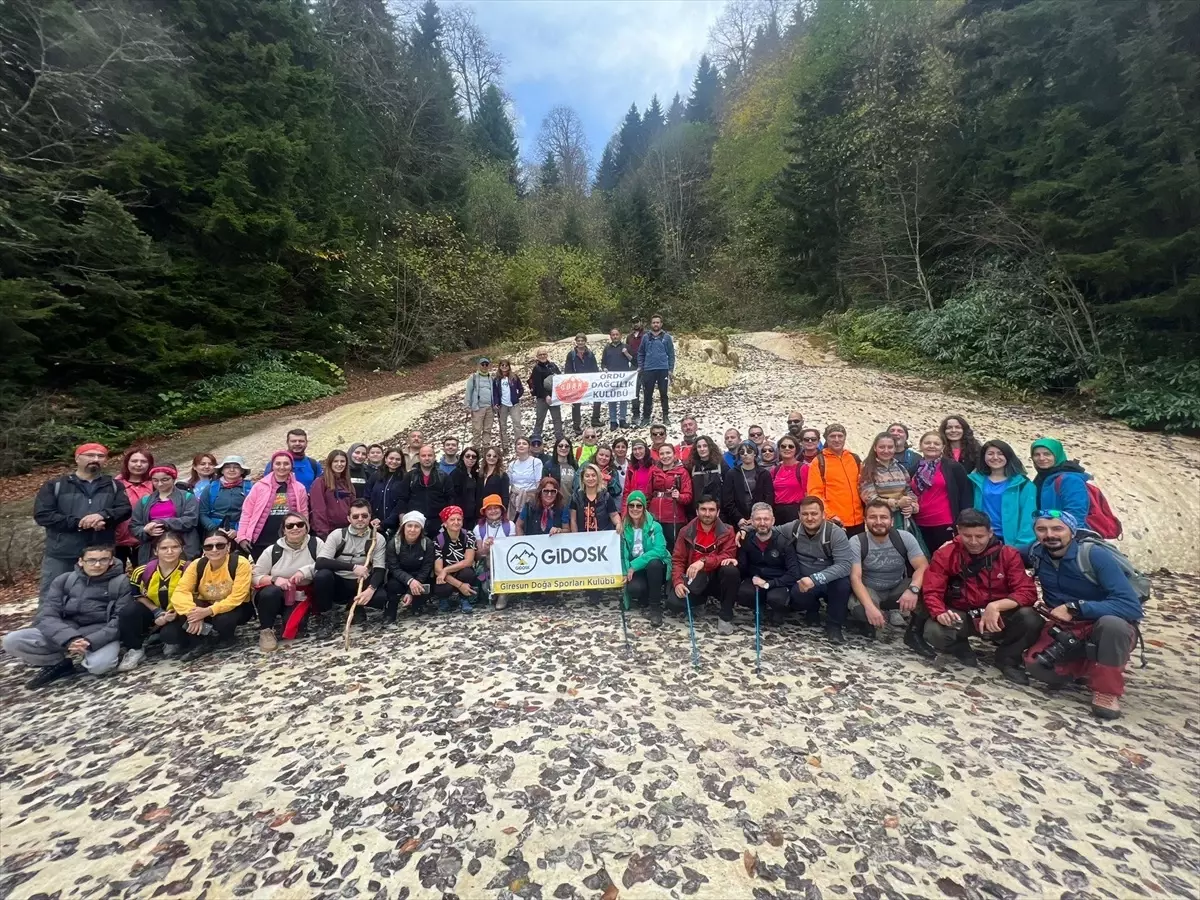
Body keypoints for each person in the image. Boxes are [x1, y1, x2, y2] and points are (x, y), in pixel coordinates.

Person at [1025, 511, 1143, 719]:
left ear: (1071, 531)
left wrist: (1075, 607)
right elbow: (1002, 553)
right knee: (1038, 668)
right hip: (1066, 628)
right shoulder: (1036, 552)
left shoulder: (1094, 555)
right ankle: (1086, 668)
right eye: (1041, 529)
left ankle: (1106, 691)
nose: (1049, 535)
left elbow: (1131, 606)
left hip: (1103, 626)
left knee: (1112, 625)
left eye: (1057, 529)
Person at [916, 509, 1040, 681]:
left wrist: (997, 606)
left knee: (1031, 618)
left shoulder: (1008, 555)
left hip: (999, 616)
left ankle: (1008, 657)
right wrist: (939, 612)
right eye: (967, 536)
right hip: (964, 614)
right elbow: (932, 589)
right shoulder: (946, 554)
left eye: (980, 536)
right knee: (934, 631)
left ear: (990, 533)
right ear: (958, 531)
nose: (973, 542)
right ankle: (960, 646)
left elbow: (1027, 592)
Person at [3, 544, 133, 687]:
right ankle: (58, 663)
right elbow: (47, 614)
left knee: (99, 667)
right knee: (12, 640)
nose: (97, 565)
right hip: (65, 631)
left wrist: (90, 641)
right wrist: (69, 639)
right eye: (91, 560)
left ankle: (88, 656)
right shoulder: (64, 580)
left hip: (99, 633)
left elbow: (120, 620)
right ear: (80, 561)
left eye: (103, 560)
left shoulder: (121, 582)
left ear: (111, 561)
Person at [34, 443, 132, 601]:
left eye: (100, 456)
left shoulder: (113, 485)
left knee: (102, 597)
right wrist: (79, 522)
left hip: (101, 552)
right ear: (77, 458)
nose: (95, 459)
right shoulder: (56, 486)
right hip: (63, 553)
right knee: (54, 596)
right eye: (90, 455)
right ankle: (49, 626)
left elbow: (124, 509)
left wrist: (103, 516)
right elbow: (43, 515)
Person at [162, 531, 254, 662]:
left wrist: (207, 611)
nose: (214, 549)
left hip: (235, 608)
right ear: (204, 549)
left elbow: (237, 597)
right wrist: (192, 614)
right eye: (209, 546)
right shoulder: (197, 564)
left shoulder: (239, 563)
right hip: (204, 606)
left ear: (228, 546)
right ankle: (202, 641)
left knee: (223, 620)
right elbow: (180, 592)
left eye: (220, 545)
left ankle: (227, 638)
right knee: (169, 634)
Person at [848, 499, 929, 637]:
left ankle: (914, 633)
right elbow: (855, 578)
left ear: (891, 521)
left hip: (896, 589)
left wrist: (913, 589)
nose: (878, 521)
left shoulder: (905, 537)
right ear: (865, 520)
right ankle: (870, 623)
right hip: (871, 589)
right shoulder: (857, 541)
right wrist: (870, 607)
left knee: (928, 586)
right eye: (873, 517)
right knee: (861, 610)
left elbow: (923, 566)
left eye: (883, 517)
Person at [783, 497, 855, 643]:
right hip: (803, 580)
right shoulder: (794, 527)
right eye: (805, 514)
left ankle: (834, 626)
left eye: (814, 514)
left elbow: (845, 565)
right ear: (799, 515)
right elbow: (769, 528)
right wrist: (745, 530)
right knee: (796, 593)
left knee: (843, 585)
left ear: (823, 514)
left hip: (829, 580)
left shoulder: (835, 533)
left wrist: (815, 579)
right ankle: (812, 609)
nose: (809, 518)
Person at [251, 511, 321, 652]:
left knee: (299, 628)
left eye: (299, 524)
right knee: (270, 592)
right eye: (290, 526)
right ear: (284, 530)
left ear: (306, 527)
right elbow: (255, 576)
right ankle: (266, 630)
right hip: (278, 593)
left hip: (301, 595)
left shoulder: (316, 544)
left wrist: (305, 571)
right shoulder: (272, 550)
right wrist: (275, 579)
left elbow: (324, 563)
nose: (295, 528)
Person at [670, 497, 740, 634]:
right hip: (695, 577)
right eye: (703, 509)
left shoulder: (728, 530)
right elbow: (678, 560)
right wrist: (678, 582)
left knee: (731, 571)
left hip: (717, 577)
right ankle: (700, 601)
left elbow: (728, 555)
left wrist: (703, 562)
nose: (707, 514)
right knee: (674, 603)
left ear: (718, 512)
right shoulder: (685, 531)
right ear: (697, 511)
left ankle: (725, 615)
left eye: (711, 510)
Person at [119, 532, 187, 671]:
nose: (170, 551)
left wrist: (172, 614)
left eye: (175, 547)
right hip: (153, 611)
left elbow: (192, 596)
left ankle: (168, 638)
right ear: (156, 550)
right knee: (129, 611)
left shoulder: (189, 569)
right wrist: (156, 612)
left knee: (171, 638)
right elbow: (137, 595)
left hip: (179, 612)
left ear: (182, 549)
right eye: (164, 548)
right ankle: (135, 649)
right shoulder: (142, 571)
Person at [314, 499, 386, 627]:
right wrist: (352, 567)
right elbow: (320, 562)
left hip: (361, 583)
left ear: (370, 517)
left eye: (364, 516)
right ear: (348, 518)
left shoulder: (377, 538)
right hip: (339, 582)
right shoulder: (337, 535)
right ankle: (325, 616)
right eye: (355, 516)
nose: (360, 519)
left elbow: (380, 569)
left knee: (380, 597)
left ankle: (354, 605)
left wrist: (371, 589)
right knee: (322, 576)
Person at [858, 432, 921, 564]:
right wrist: (897, 503)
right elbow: (869, 497)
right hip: (880, 519)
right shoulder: (868, 468)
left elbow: (908, 491)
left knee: (910, 553)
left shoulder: (900, 467)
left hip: (903, 518)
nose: (886, 451)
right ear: (875, 448)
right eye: (882, 447)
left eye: (890, 447)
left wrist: (912, 506)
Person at [738, 503, 801, 626]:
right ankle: (760, 606)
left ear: (773, 521)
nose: (762, 523)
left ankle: (778, 610)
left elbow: (794, 573)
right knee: (743, 593)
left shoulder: (784, 542)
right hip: (755, 579)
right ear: (752, 521)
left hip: (778, 581)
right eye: (758, 519)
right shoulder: (746, 541)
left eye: (766, 519)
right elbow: (743, 566)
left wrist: (768, 584)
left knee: (777, 599)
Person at [238, 450, 308, 560]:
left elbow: (303, 514)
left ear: (291, 466)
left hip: (288, 539)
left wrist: (304, 534)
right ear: (272, 466)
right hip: (261, 539)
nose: (282, 467)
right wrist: (241, 536)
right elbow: (247, 512)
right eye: (278, 463)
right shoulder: (259, 486)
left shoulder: (299, 488)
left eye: (286, 463)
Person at [910, 431, 972, 552]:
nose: (931, 446)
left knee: (945, 559)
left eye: (936, 443)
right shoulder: (915, 467)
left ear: (943, 447)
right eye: (927, 443)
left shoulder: (954, 467)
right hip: (919, 522)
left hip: (944, 523)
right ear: (921, 446)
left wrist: (963, 521)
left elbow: (965, 495)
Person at [969, 440, 1036, 548]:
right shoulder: (975, 481)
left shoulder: (1023, 484)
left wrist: (1021, 545)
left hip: (1010, 541)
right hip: (980, 538)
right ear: (984, 457)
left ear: (1008, 456)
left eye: (1000, 453)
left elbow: (1028, 517)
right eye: (990, 454)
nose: (995, 457)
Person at [130, 465, 201, 565]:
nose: (160, 484)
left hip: (184, 546)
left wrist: (162, 522)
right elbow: (134, 525)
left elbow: (191, 520)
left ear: (173, 478)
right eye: (155, 480)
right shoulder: (144, 501)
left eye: (165, 480)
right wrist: (146, 531)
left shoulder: (187, 497)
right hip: (153, 549)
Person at [621, 490, 670, 627]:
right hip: (636, 568)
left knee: (654, 563)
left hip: (653, 567)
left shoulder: (655, 527)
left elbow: (659, 550)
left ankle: (655, 608)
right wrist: (626, 571)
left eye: (639, 505)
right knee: (635, 588)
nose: (635, 509)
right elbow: (622, 553)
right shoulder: (623, 529)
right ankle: (645, 595)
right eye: (632, 505)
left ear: (644, 507)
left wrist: (634, 565)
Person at [805, 424, 864, 536]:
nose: (837, 440)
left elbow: (863, 486)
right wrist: (830, 515)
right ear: (826, 439)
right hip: (836, 522)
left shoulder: (854, 458)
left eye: (840, 436)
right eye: (832, 436)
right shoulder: (819, 462)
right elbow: (815, 493)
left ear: (845, 437)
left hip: (859, 520)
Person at [384, 511, 437, 620]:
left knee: (426, 585)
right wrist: (410, 581)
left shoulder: (427, 543)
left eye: (416, 526)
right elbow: (394, 568)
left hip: (420, 576)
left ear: (421, 529)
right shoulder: (393, 544)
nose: (412, 530)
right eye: (409, 526)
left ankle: (418, 604)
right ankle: (391, 609)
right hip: (400, 576)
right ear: (403, 527)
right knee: (392, 585)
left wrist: (411, 590)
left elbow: (426, 568)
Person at [1030, 437, 1092, 525]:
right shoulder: (1043, 476)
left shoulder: (1070, 479)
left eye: (1047, 454)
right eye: (1036, 454)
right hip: (1046, 531)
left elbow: (1076, 514)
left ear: (1057, 455)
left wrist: (1066, 536)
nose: (1041, 458)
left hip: (1062, 534)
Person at [433, 506, 479, 613]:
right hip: (446, 576)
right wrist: (460, 585)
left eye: (459, 519)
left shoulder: (469, 535)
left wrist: (446, 570)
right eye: (452, 520)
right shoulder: (438, 540)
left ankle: (464, 599)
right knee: (441, 583)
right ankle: (444, 599)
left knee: (468, 573)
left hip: (460, 571)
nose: (456, 522)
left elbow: (468, 561)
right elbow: (437, 569)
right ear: (445, 523)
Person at [114, 447, 154, 569]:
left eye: (143, 461)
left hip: (145, 538)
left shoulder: (155, 484)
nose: (138, 465)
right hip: (117, 539)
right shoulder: (114, 484)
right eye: (134, 461)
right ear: (127, 463)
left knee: (144, 574)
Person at [400, 445, 452, 538]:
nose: (427, 458)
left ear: (434, 457)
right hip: (415, 522)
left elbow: (450, 500)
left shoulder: (443, 476)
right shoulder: (410, 476)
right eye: (423, 456)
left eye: (430, 455)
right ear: (419, 458)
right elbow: (403, 499)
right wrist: (402, 520)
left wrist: (446, 521)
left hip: (437, 522)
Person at [648, 444, 692, 549]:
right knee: (656, 546)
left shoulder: (682, 472)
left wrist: (679, 496)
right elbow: (648, 493)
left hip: (674, 517)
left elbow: (688, 496)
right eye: (662, 454)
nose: (665, 456)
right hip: (655, 517)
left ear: (674, 454)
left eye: (668, 453)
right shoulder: (654, 471)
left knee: (673, 547)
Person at [722, 441, 775, 530]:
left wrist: (757, 517)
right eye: (742, 452)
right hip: (738, 520)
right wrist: (738, 518)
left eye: (749, 451)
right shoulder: (731, 474)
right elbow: (727, 500)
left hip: (760, 519)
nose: (745, 454)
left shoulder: (764, 474)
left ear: (755, 453)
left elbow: (768, 498)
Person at [474, 495, 515, 609]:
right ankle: (495, 591)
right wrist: (485, 548)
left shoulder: (510, 525)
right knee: (485, 588)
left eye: (496, 507)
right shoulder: (479, 528)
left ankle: (503, 594)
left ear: (501, 509)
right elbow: (477, 555)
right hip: (488, 563)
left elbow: (513, 548)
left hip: (506, 562)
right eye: (489, 508)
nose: (493, 511)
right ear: (484, 512)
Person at [199, 456, 252, 539]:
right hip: (214, 535)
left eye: (236, 467)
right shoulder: (210, 489)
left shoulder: (251, 489)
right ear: (222, 470)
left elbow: (255, 514)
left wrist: (239, 531)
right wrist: (215, 529)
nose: (231, 470)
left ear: (242, 471)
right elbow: (202, 513)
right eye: (227, 467)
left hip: (242, 535)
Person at [637, 314, 675, 425]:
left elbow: (671, 354)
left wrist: (670, 369)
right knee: (647, 394)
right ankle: (646, 417)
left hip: (663, 369)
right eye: (653, 322)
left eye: (657, 322)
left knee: (664, 394)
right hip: (648, 370)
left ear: (661, 324)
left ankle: (665, 416)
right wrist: (641, 366)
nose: (655, 324)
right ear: (651, 324)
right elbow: (640, 353)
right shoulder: (645, 337)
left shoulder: (667, 337)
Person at [310, 450, 355, 539]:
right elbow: (318, 509)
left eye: (342, 461)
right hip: (328, 532)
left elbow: (353, 506)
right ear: (330, 463)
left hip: (346, 531)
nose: (339, 464)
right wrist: (323, 533)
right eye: (335, 461)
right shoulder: (320, 482)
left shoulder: (347, 483)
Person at [564, 333, 602, 434]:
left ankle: (595, 419)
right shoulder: (571, 354)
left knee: (597, 398)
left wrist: (596, 378)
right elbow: (567, 368)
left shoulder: (590, 353)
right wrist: (570, 379)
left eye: (582, 341)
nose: (580, 343)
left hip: (589, 380)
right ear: (576, 342)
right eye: (578, 341)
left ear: (585, 341)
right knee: (576, 403)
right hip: (576, 382)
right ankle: (576, 425)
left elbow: (594, 367)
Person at [570, 464, 622, 533]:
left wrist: (618, 523)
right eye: (587, 476)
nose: (591, 478)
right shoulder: (576, 497)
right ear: (582, 479)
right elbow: (573, 520)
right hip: (582, 538)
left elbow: (614, 515)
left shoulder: (606, 496)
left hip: (603, 538)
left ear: (598, 478)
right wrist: (575, 536)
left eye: (593, 475)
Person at [366, 449, 407, 536]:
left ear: (401, 461)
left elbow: (402, 503)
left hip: (393, 527)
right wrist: (372, 518)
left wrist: (386, 523)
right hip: (373, 524)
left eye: (397, 459)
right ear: (385, 459)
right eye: (391, 458)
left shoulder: (404, 478)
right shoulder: (375, 476)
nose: (394, 461)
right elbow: (367, 497)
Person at [687, 436, 727, 519]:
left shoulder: (721, 465)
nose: (702, 449)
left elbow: (728, 489)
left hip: (718, 512)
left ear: (710, 447)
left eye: (705, 446)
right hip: (697, 512)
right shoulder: (692, 466)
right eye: (699, 447)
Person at [601, 328, 634, 429]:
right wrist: (604, 368)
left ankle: (622, 420)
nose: (615, 336)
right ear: (610, 336)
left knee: (623, 398)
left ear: (621, 335)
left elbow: (634, 360)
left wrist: (626, 353)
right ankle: (613, 421)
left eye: (617, 334)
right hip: (611, 378)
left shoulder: (626, 346)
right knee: (612, 399)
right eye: (613, 335)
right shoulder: (607, 348)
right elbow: (603, 363)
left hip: (624, 377)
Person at [530, 348, 564, 443]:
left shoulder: (552, 365)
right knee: (540, 418)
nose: (542, 356)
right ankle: (536, 437)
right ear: (537, 357)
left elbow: (560, 378)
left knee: (557, 418)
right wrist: (546, 396)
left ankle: (559, 436)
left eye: (544, 354)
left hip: (554, 397)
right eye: (540, 354)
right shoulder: (536, 368)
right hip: (542, 398)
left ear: (547, 355)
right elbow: (538, 385)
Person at [493, 359, 525, 455]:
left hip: (514, 404)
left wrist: (517, 396)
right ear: (499, 367)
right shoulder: (497, 380)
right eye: (502, 365)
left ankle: (519, 444)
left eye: (506, 365)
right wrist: (496, 403)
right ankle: (505, 446)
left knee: (517, 424)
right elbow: (495, 393)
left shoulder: (514, 377)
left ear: (509, 366)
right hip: (502, 405)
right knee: (503, 426)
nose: (504, 367)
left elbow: (521, 388)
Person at [770, 436, 806, 524]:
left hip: (795, 511)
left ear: (796, 450)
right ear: (779, 449)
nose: (787, 448)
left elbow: (807, 492)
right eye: (783, 446)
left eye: (791, 446)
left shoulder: (803, 468)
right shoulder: (774, 470)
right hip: (777, 511)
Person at [507, 437, 543, 519]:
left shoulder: (536, 462)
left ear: (529, 447)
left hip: (531, 498)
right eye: (518, 444)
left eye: (524, 443)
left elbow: (538, 482)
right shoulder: (512, 464)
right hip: (515, 500)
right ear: (515, 448)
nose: (521, 446)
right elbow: (510, 483)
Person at [465, 357, 495, 451]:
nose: (485, 366)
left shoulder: (490, 377)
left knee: (487, 429)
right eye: (483, 364)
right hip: (477, 408)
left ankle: (486, 447)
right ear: (479, 365)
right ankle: (476, 449)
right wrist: (467, 406)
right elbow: (468, 392)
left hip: (489, 407)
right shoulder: (473, 377)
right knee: (477, 429)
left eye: (486, 364)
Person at [449, 447, 481, 531]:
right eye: (468, 456)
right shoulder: (456, 474)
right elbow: (451, 496)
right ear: (462, 457)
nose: (471, 459)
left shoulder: (475, 475)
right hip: (460, 515)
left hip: (473, 515)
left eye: (474, 457)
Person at [621, 440, 654, 510]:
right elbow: (626, 492)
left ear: (646, 449)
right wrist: (624, 512)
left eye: (640, 448)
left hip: (651, 506)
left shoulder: (654, 466)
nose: (637, 452)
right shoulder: (631, 469)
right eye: (634, 449)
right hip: (635, 506)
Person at [626, 321, 645, 423]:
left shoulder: (646, 335)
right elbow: (627, 352)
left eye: (637, 322)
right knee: (634, 392)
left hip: (646, 367)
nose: (635, 324)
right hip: (633, 367)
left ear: (641, 322)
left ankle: (646, 414)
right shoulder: (629, 337)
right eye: (633, 322)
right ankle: (636, 414)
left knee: (647, 392)